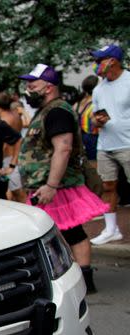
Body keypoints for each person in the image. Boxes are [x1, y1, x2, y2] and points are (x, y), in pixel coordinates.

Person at [17, 64, 108, 292]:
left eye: (32, 85)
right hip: (46, 186)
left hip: (58, 187)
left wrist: (51, 185)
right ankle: (70, 278)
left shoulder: (57, 112)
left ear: (48, 87)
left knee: (70, 232)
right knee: (60, 233)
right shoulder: (47, 111)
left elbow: (63, 148)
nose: (28, 90)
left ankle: (84, 281)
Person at [89, 44, 130, 245]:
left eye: (99, 61)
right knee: (107, 185)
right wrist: (96, 122)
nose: (96, 65)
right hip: (105, 145)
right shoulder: (98, 88)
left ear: (112, 61)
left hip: (128, 143)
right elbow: (94, 117)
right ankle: (111, 229)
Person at [0, 92, 27, 203]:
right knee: (15, 193)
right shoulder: (16, 114)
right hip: (20, 156)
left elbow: (5, 144)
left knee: (18, 193)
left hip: (10, 159)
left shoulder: (3, 121)